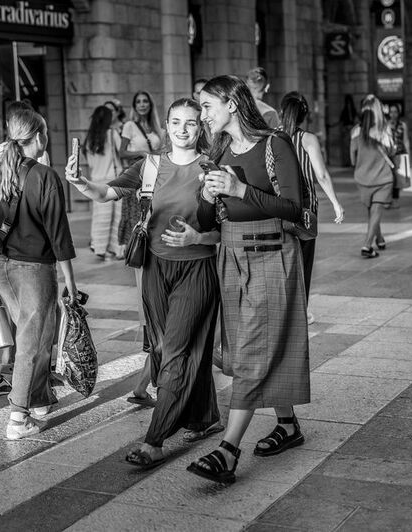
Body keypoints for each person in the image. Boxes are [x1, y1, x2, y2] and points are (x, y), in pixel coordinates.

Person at [66, 97, 223, 468]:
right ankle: (205, 418)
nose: (182, 129)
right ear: (166, 126)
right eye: (176, 122)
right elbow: (105, 193)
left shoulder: (212, 168)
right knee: (167, 347)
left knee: (175, 351)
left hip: (197, 270)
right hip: (154, 269)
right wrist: (79, 181)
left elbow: (225, 232)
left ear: (200, 128)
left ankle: (154, 440)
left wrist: (196, 239)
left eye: (190, 123)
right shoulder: (150, 165)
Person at [188, 75, 309, 484]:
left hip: (272, 255)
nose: (202, 114)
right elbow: (207, 220)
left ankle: (227, 449)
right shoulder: (219, 150)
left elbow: (294, 207)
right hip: (230, 257)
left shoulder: (275, 145)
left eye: (207, 106)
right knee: (245, 350)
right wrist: (206, 199)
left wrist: (240, 188)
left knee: (254, 349)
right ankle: (288, 425)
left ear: (232, 105)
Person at [0, 106, 78, 440]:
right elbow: (59, 234)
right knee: (32, 342)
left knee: (29, 332)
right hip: (34, 267)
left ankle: (37, 399)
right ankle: (18, 417)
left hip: (2, 265)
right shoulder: (46, 176)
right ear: (38, 136)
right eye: (46, 132)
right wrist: (71, 282)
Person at [279, 91, 344, 324]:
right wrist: (336, 203)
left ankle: (283, 309)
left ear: (281, 112)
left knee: (283, 259)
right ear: (304, 115)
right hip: (305, 210)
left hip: (278, 207)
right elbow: (322, 175)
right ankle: (300, 312)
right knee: (304, 260)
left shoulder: (273, 137)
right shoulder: (307, 139)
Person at [118, 90, 164, 353]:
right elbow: (122, 151)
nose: (143, 105)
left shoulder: (156, 126)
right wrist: (144, 154)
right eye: (139, 102)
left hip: (155, 182)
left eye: (146, 101)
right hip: (138, 180)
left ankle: (153, 325)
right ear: (134, 105)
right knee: (140, 238)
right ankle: (146, 329)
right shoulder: (129, 125)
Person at [350, 95, 395, 258]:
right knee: (375, 211)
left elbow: (353, 159)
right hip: (383, 178)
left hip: (362, 179)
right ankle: (367, 245)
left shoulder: (355, 131)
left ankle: (377, 239)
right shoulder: (384, 130)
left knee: (373, 210)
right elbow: (392, 152)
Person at [83, 105, 123, 260]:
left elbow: (90, 161)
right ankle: (115, 249)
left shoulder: (89, 139)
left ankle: (99, 247)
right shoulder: (112, 134)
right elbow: (123, 151)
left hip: (96, 181)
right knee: (117, 218)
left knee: (100, 217)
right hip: (113, 180)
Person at [387, 103, 410, 209]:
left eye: (395, 112)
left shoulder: (402, 125)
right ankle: (388, 199)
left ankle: (395, 199)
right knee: (388, 178)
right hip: (388, 155)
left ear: (398, 113)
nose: (393, 114)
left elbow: (405, 140)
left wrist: (408, 155)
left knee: (397, 178)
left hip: (399, 154)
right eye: (391, 112)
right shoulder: (386, 125)